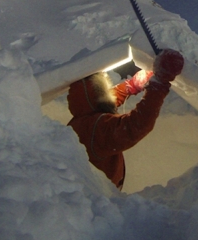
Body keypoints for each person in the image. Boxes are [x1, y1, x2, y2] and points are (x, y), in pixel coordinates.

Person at [67, 49, 184, 190]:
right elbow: (137, 124)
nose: (108, 90)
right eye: (103, 89)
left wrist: (132, 85)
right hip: (102, 199)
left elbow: (104, 101)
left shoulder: (83, 116)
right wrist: (158, 84)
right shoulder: (96, 128)